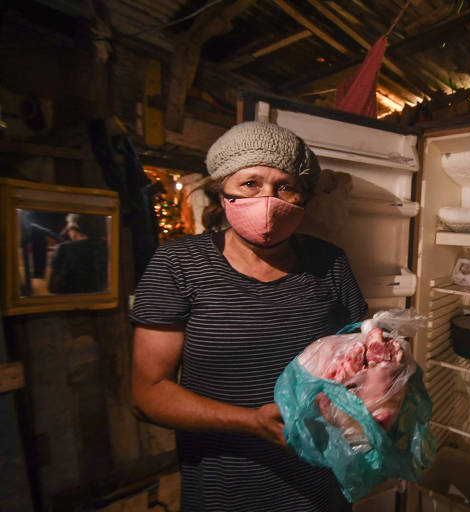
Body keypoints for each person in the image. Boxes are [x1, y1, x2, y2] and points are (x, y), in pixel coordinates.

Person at [129, 121, 368, 512]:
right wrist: (250, 421)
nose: (269, 201)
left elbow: (359, 356)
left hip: (323, 485)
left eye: (285, 187)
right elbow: (148, 393)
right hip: (226, 490)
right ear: (223, 191)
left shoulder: (330, 263)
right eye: (250, 184)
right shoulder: (178, 264)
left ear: (304, 196)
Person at [47, 213, 108, 294]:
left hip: (71, 302)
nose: (68, 233)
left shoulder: (64, 249)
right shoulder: (109, 247)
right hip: (101, 301)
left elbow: (52, 287)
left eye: (68, 230)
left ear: (74, 230)